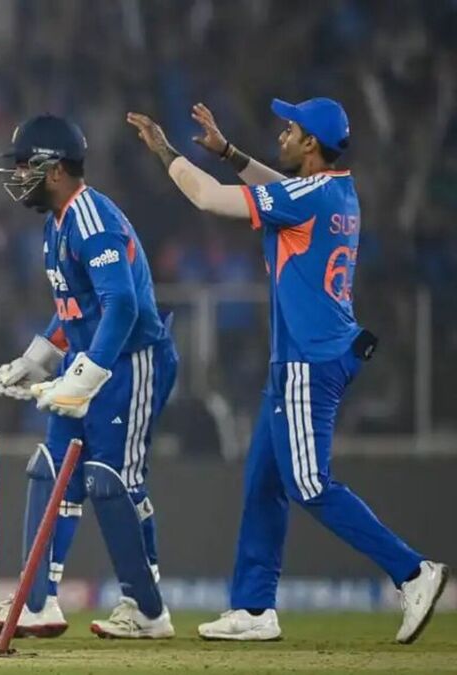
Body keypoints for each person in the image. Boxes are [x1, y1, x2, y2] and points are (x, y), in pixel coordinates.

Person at [127, 99, 448, 643]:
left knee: (308, 483)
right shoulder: (336, 192)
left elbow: (207, 197)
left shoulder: (310, 195)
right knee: (264, 482)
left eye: (291, 129)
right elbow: (281, 189)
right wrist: (229, 152)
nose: (282, 134)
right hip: (310, 356)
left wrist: (164, 150)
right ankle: (254, 608)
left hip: (309, 360)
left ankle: (413, 572)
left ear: (311, 145)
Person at [0, 114, 178, 639]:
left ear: (55, 170)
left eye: (26, 165)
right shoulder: (57, 223)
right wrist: (39, 357)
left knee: (111, 481)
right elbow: (76, 309)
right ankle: (38, 601)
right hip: (90, 358)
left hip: (133, 361)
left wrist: (88, 375)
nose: (19, 176)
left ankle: (147, 610)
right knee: (49, 470)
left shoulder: (91, 220)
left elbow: (122, 305)